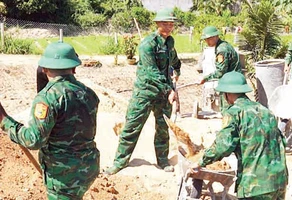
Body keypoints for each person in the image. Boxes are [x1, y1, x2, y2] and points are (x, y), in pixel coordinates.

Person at [0, 41, 100, 199]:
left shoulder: (47, 98)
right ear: (74, 68)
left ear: (44, 68)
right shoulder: (89, 93)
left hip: (64, 176)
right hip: (89, 168)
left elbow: (34, 140)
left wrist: (5, 121)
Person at [105, 7, 181, 175]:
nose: (169, 27)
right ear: (157, 24)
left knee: (163, 128)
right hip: (145, 92)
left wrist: (177, 69)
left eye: (171, 24)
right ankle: (120, 162)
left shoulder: (170, 42)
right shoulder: (148, 44)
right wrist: (169, 90)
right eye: (165, 24)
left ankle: (162, 160)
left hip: (163, 94)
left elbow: (173, 58)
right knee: (132, 126)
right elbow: (151, 72)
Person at [190, 71, 288, 199]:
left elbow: (222, 146)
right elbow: (281, 142)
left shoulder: (234, 113)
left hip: (256, 185)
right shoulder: (266, 111)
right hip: (279, 181)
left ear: (227, 94)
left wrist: (201, 162)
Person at [198, 26, 243, 112]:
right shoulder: (222, 46)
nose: (206, 41)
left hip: (232, 83)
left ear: (216, 37)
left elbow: (220, 72)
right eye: (205, 39)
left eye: (209, 38)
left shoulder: (222, 50)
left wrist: (206, 78)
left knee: (228, 110)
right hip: (233, 80)